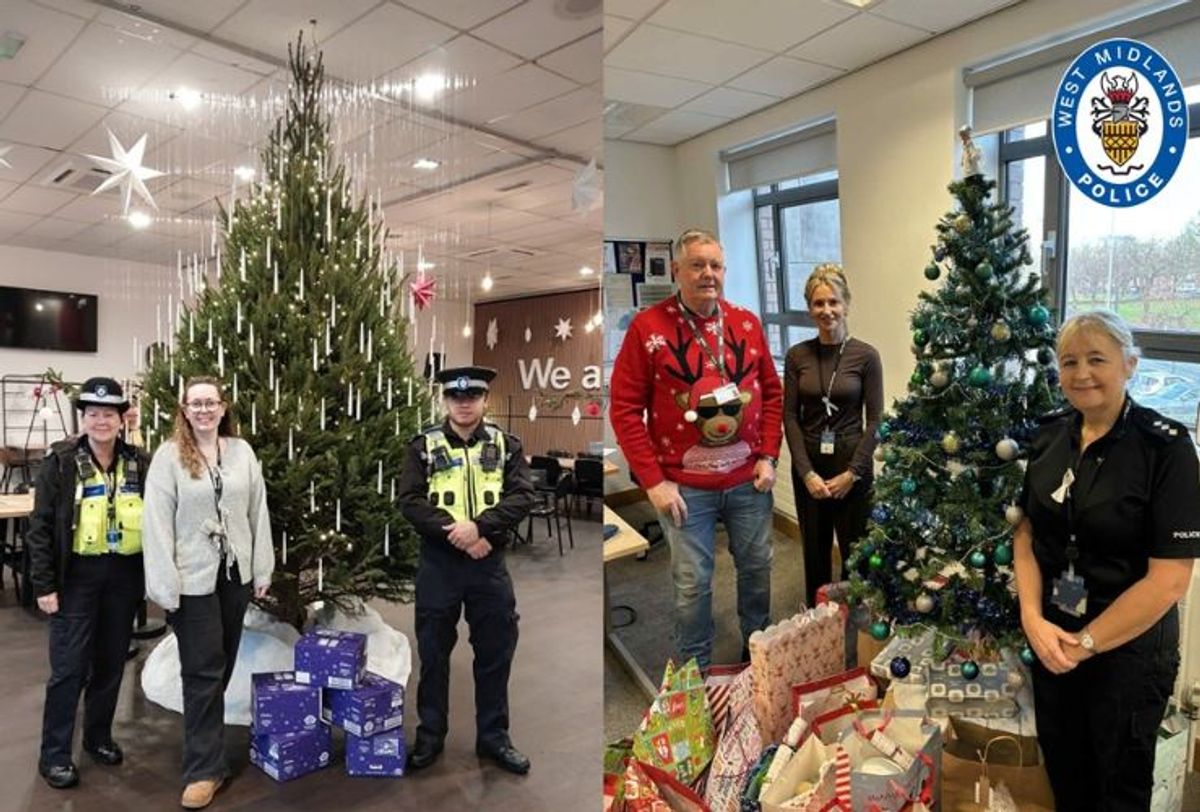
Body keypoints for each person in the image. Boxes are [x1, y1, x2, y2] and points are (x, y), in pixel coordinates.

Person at [1013, 310, 1200, 811]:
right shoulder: (1048, 435)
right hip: (1053, 638)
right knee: (1066, 776)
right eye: (1069, 361)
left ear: (1129, 364)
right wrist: (1031, 617)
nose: (1081, 374)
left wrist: (1087, 644)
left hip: (1127, 652)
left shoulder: (1166, 448)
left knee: (1118, 790)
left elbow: (1169, 580)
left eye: (1097, 359)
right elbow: (1026, 533)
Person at [610, 228, 783, 669]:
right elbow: (625, 410)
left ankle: (758, 654)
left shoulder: (746, 323)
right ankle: (696, 671)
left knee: (757, 570)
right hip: (685, 489)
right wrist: (653, 482)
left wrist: (768, 455)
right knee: (692, 585)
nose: (708, 273)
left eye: (715, 265)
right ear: (676, 270)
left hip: (749, 482)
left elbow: (771, 392)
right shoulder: (648, 328)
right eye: (697, 265)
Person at [142, 376, 273, 810]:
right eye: (195, 404)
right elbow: (156, 523)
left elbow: (257, 510)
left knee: (222, 665)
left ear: (223, 407)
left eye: (210, 403)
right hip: (190, 581)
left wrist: (262, 567)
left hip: (233, 577)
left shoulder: (241, 452)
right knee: (201, 672)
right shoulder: (168, 457)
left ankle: (210, 748)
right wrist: (164, 585)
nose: (203, 410)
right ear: (184, 410)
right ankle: (203, 769)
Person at [397, 365, 534, 775]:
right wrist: (458, 534)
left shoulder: (506, 445)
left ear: (484, 400)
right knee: (434, 654)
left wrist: (482, 529)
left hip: (488, 564)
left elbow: (522, 496)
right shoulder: (423, 446)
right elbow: (410, 500)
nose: (464, 404)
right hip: (439, 564)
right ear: (444, 400)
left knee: (495, 653)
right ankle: (430, 736)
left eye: (472, 396)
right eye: (455, 397)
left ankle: (494, 737)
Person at [28, 377, 149, 790]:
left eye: (108, 414)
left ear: (121, 419)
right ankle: (54, 755)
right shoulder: (60, 463)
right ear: (83, 418)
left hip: (123, 577)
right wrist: (44, 585)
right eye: (93, 413)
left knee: (111, 664)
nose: (101, 421)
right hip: (76, 579)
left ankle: (97, 737)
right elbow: (40, 528)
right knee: (69, 669)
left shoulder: (139, 462)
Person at [783, 264, 883, 606]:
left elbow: (876, 420)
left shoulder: (866, 356)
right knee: (815, 551)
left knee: (857, 553)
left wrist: (853, 473)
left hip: (852, 464)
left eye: (833, 302)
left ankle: (856, 621)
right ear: (809, 308)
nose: (826, 310)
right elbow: (790, 417)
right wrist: (806, 472)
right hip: (810, 465)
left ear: (846, 304)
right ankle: (818, 620)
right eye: (818, 303)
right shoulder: (797, 356)